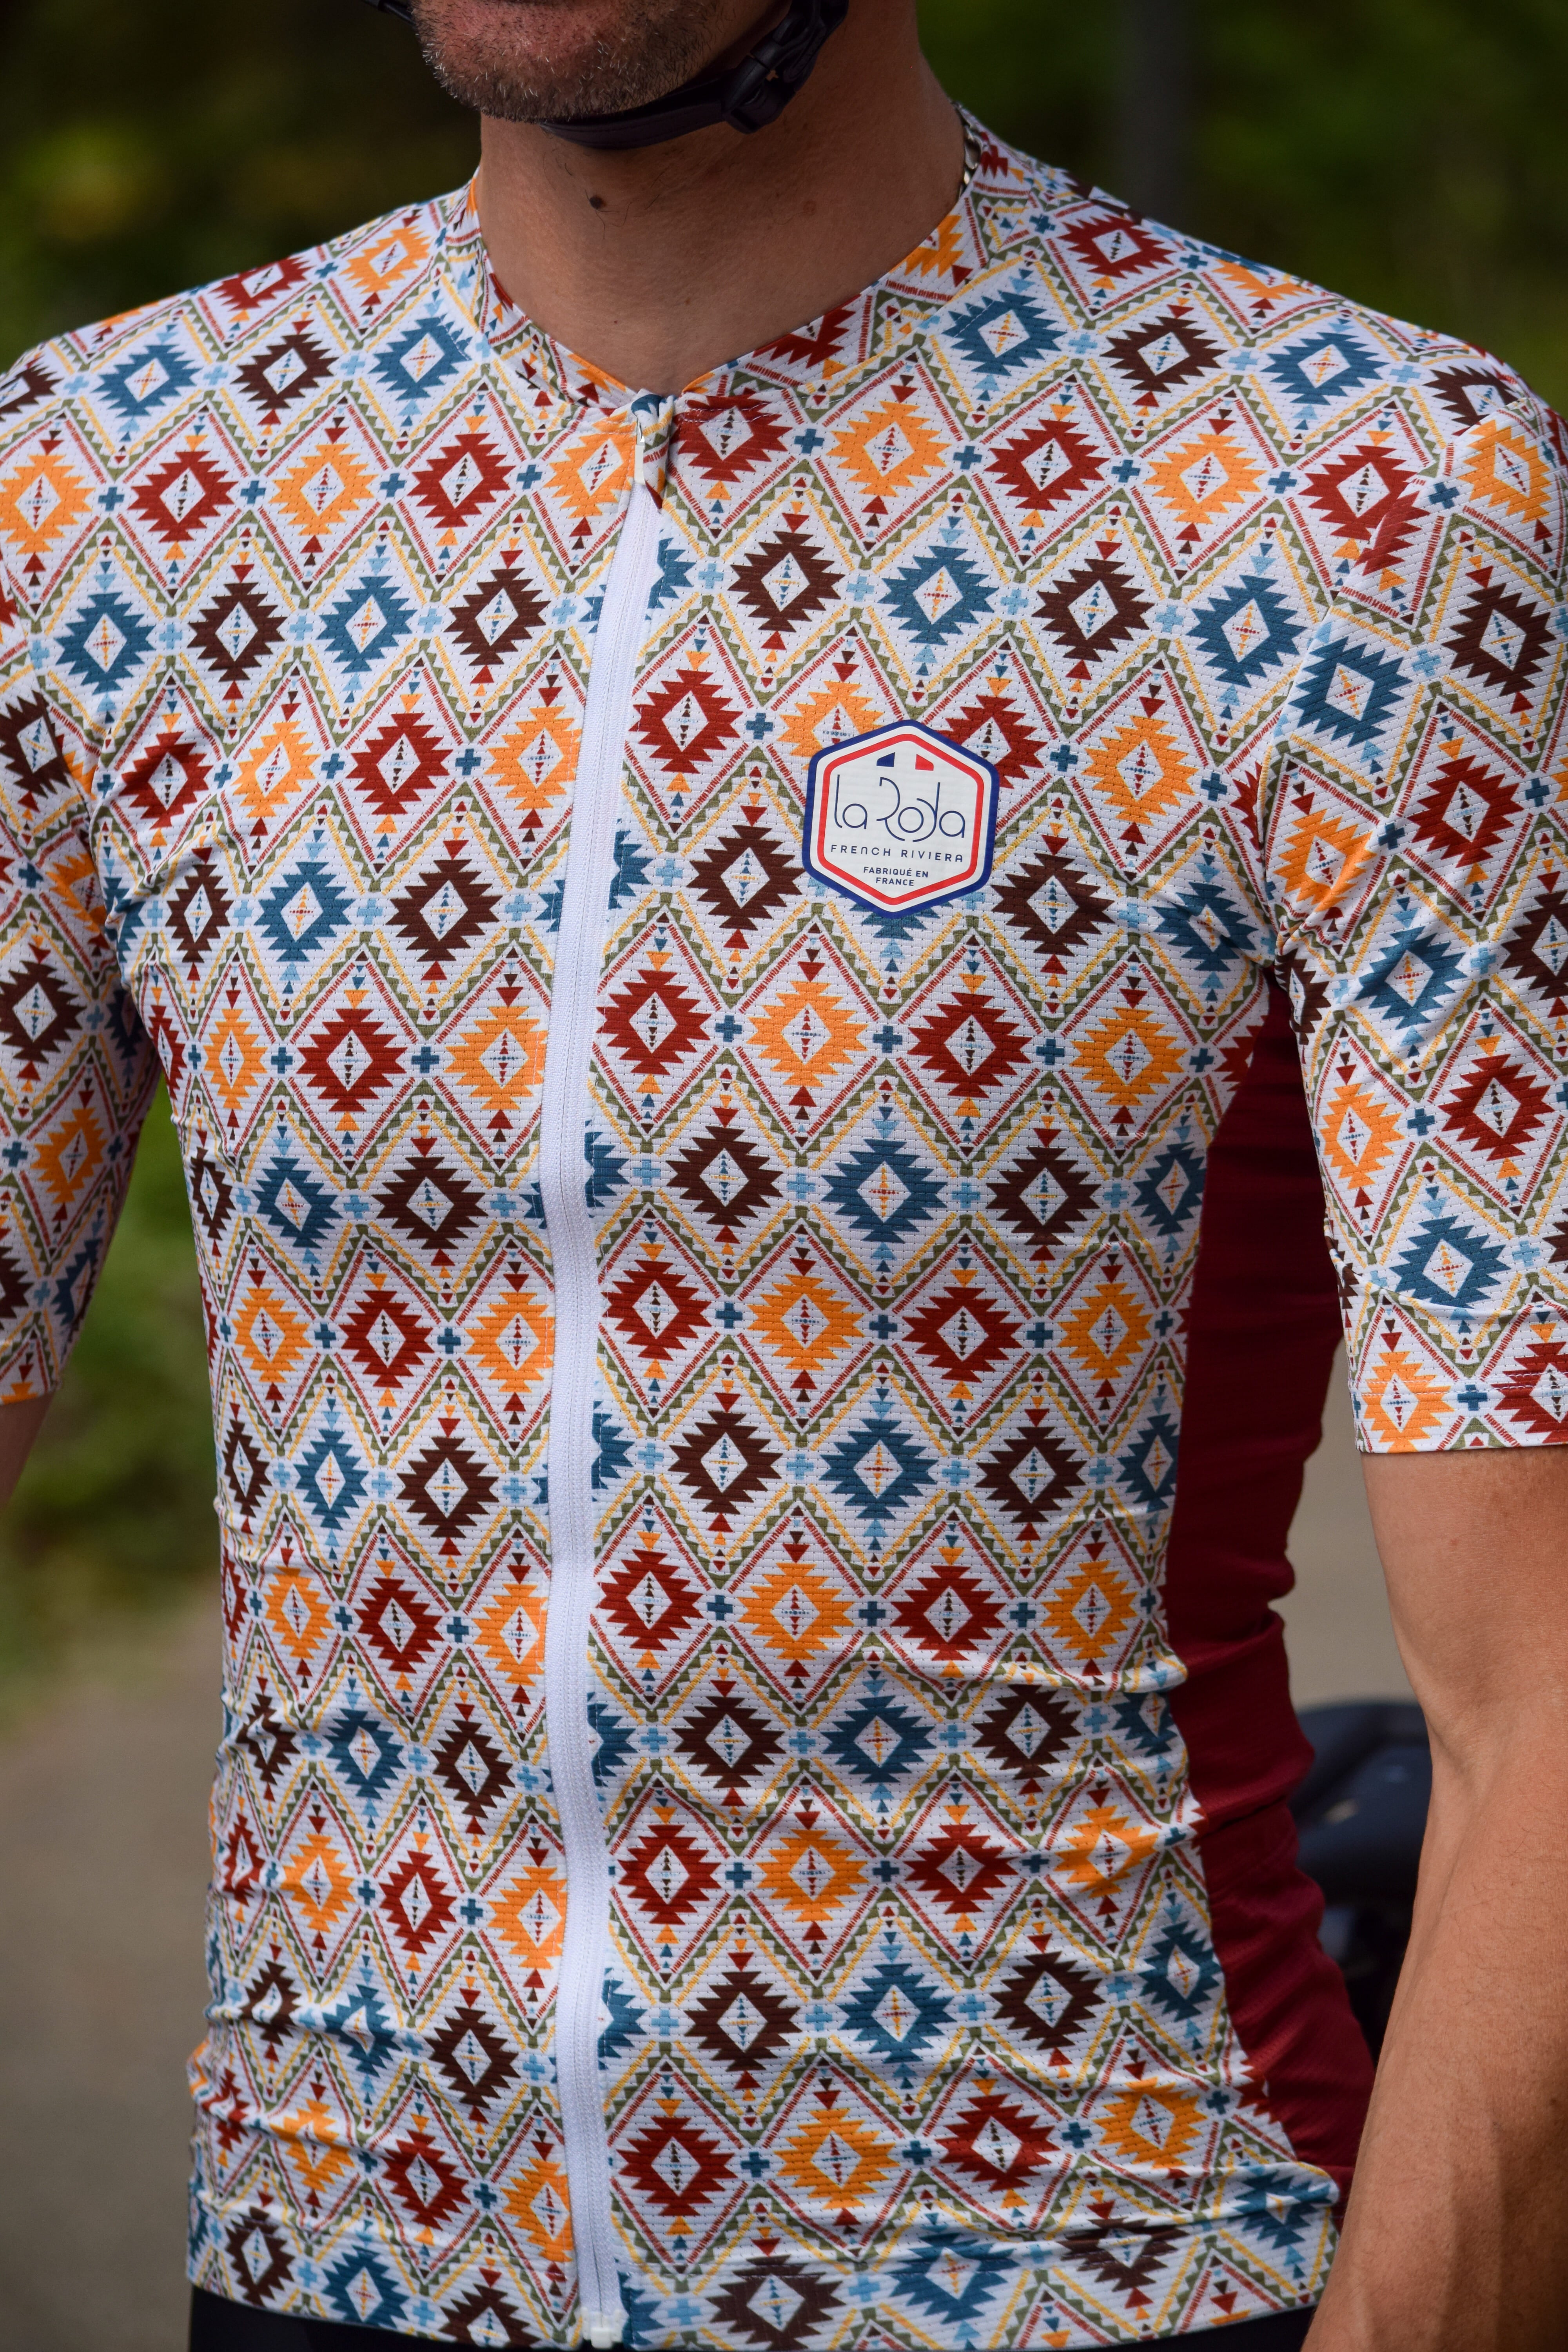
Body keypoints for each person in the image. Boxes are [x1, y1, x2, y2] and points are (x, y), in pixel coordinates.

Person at [0, 0, 1564, 2344]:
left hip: (1109, 2260)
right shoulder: (101, 489)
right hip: (328, 2258)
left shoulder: (1360, 504)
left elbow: (1545, 1676)